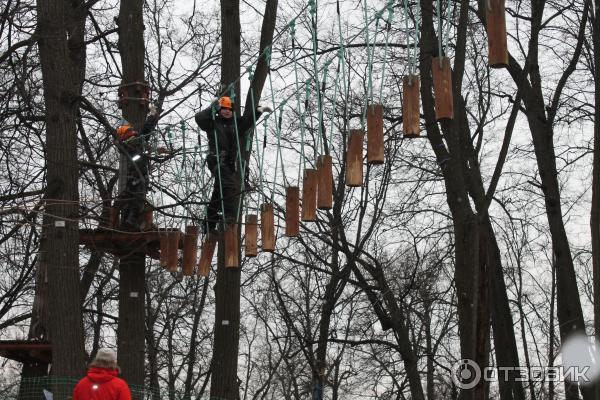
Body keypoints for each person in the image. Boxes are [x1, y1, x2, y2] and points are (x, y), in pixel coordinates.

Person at [195, 96, 271, 234]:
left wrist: (258, 111)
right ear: (219, 110)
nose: (227, 112)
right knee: (229, 185)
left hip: (229, 164)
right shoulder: (212, 122)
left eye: (229, 109)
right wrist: (212, 108)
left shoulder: (236, 124)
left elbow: (248, 121)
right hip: (217, 159)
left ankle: (208, 224)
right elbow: (199, 118)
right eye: (224, 109)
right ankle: (229, 215)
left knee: (218, 193)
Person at [115, 104, 159, 229]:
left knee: (129, 197)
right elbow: (147, 128)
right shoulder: (135, 141)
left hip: (134, 176)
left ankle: (126, 220)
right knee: (137, 198)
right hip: (139, 175)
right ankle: (130, 220)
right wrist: (153, 115)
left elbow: (147, 130)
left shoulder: (129, 143)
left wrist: (153, 116)